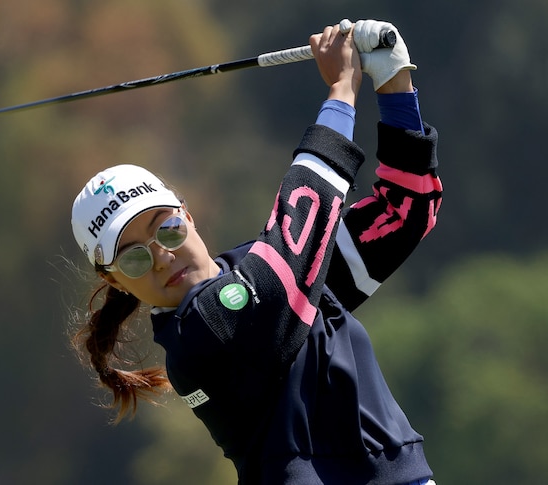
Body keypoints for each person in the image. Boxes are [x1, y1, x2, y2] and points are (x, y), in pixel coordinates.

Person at [69, 19, 442, 485]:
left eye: (164, 229)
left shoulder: (282, 269)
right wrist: (342, 92)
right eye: (134, 258)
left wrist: (393, 81)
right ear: (114, 280)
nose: (162, 256)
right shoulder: (196, 338)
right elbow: (285, 267)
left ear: (187, 214)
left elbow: (402, 214)